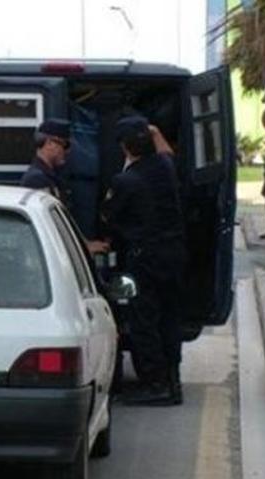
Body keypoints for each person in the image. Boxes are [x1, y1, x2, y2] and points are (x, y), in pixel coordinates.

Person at [102, 116, 186, 406]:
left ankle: (155, 384)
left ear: (125, 146)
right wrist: (155, 131)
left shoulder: (126, 180)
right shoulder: (164, 168)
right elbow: (166, 154)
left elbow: (109, 216)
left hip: (144, 259)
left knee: (142, 320)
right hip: (173, 255)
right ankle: (172, 380)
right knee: (169, 318)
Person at [21, 118, 109, 254]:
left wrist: (85, 243)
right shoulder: (37, 180)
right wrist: (83, 247)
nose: (67, 152)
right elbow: (51, 225)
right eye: (65, 145)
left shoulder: (52, 176)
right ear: (49, 143)